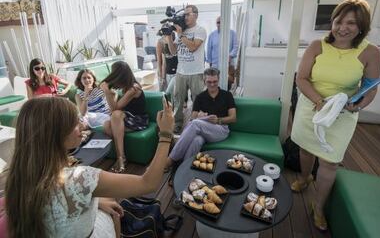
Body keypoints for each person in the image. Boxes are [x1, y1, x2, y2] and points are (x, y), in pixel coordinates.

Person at [4, 97, 174, 237]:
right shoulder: (80, 178)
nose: (80, 124)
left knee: (107, 199)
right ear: (55, 134)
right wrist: (165, 134)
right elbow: (148, 183)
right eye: (73, 122)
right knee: (114, 208)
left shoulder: (17, 178)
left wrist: (96, 200)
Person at [289, 0, 380, 231]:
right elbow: (301, 78)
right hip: (312, 106)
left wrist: (358, 104)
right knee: (306, 150)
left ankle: (318, 208)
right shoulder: (316, 46)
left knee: (330, 162)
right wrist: (319, 101)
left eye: (351, 23)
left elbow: (370, 88)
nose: (343, 27)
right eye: (339, 21)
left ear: (362, 26)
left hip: (341, 115)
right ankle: (304, 177)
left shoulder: (371, 52)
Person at [166, 68, 236, 168]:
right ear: (204, 81)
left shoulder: (227, 95)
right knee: (197, 141)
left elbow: (233, 118)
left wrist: (219, 120)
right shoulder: (200, 97)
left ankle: (170, 159)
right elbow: (193, 117)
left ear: (218, 80)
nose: (212, 84)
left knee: (195, 124)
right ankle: (183, 169)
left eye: (215, 81)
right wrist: (201, 116)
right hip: (203, 130)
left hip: (221, 130)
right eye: (209, 82)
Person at [101, 61, 149, 173]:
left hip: (138, 120)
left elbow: (115, 109)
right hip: (127, 119)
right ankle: (119, 133)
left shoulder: (134, 88)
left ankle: (121, 158)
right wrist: (111, 94)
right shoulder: (123, 88)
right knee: (106, 125)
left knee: (116, 115)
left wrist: (107, 93)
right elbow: (113, 109)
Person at [166, 4, 207, 133]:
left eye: (188, 14)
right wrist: (168, 36)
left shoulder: (200, 30)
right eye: (184, 14)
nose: (185, 17)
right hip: (181, 72)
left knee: (197, 100)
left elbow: (193, 47)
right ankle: (177, 124)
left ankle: (197, 124)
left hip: (196, 72)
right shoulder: (181, 31)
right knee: (178, 100)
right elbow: (173, 52)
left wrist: (180, 34)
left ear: (195, 15)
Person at [206, 16, 239, 89]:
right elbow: (209, 49)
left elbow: (236, 46)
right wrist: (210, 62)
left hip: (228, 65)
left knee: (227, 85)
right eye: (218, 22)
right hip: (215, 65)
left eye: (221, 22)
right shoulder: (212, 35)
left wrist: (230, 56)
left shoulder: (232, 33)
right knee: (214, 85)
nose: (219, 24)